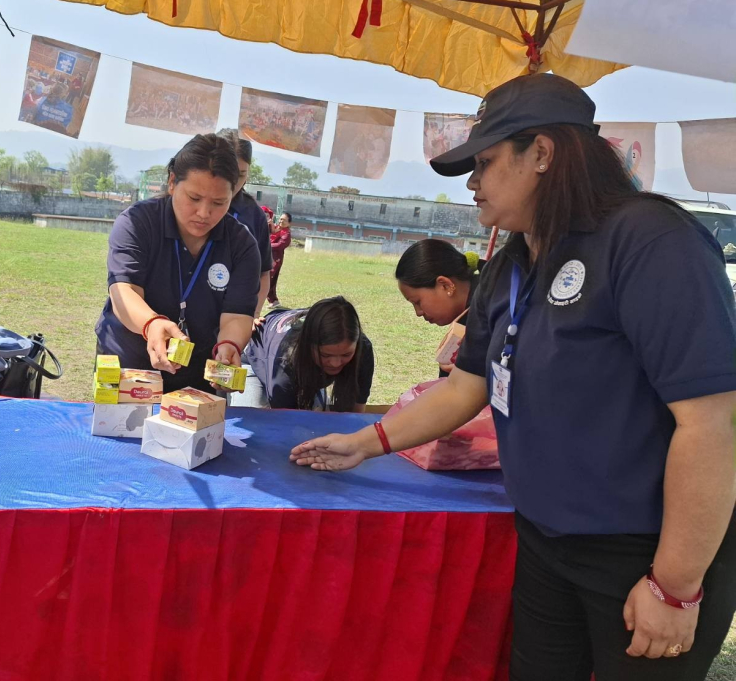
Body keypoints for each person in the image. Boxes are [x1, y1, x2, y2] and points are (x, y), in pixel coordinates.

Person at [291, 73, 736, 681]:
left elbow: (712, 422)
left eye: (486, 162)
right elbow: (466, 387)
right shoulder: (512, 264)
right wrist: (364, 443)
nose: (473, 183)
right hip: (545, 543)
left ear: (543, 154)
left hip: (641, 552)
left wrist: (676, 585)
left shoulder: (651, 242)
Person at [94, 133, 261, 392]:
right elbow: (123, 292)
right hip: (128, 366)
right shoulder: (138, 223)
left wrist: (229, 345)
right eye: (194, 198)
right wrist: (152, 324)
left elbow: (238, 314)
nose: (204, 213)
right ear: (172, 182)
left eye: (219, 203)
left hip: (196, 377)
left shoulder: (241, 244)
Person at [240, 296, 374, 412]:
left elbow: (356, 411)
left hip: (306, 370)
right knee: (254, 423)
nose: (335, 363)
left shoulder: (362, 349)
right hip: (257, 359)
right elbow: (285, 420)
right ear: (308, 345)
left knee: (318, 419)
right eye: (326, 355)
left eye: (346, 355)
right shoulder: (285, 360)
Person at [395, 239, 484, 376]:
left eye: (417, 302)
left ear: (445, 285)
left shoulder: (488, 313)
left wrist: (471, 374)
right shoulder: (472, 309)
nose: (418, 312)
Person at [217, 129, 274, 320]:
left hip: (235, 317)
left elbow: (263, 273)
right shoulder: (192, 206)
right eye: (228, 172)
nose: (233, 182)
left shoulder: (254, 215)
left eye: (241, 174)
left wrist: (253, 314)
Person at [268, 212, 292, 308]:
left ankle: (273, 300)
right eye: (281, 219)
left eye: (284, 220)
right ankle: (273, 301)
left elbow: (280, 245)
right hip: (268, 256)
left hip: (275, 259)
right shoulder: (276, 228)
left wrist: (267, 245)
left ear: (289, 223)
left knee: (269, 279)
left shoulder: (286, 234)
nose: (281, 221)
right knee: (267, 279)